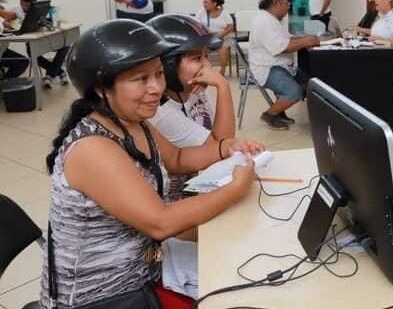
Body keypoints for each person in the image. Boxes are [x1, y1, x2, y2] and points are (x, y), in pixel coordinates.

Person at [40, 19, 263, 308]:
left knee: (239, 259)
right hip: (106, 295)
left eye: (158, 74)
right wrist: (235, 188)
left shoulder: (133, 123)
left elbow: (178, 158)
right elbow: (161, 222)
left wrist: (225, 147)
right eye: (141, 79)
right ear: (100, 89)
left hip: (146, 262)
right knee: (243, 289)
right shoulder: (92, 148)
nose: (156, 87)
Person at [147, 14, 241, 201]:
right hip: (181, 196)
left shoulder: (193, 91)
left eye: (206, 55)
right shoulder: (161, 112)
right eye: (197, 58)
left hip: (203, 177)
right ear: (168, 67)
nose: (207, 66)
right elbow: (220, 146)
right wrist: (223, 86)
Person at [249, 0, 319, 130]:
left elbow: (286, 38)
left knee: (309, 85)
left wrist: (304, 38)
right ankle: (270, 114)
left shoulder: (273, 19)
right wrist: (306, 41)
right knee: (294, 92)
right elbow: (281, 47)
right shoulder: (264, 21)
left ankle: (280, 111)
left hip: (280, 65)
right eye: (287, 3)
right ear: (276, 3)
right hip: (268, 68)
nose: (289, 7)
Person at [0, 0, 69, 87]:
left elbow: (48, 23)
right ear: (20, 1)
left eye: (28, 5)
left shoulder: (40, 9)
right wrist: (6, 22)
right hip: (32, 42)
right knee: (32, 53)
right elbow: (6, 18)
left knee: (65, 45)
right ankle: (58, 72)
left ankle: (50, 74)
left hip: (44, 37)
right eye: (23, 4)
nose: (25, 8)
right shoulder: (15, 9)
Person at [194, 0, 233, 76]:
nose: (204, 4)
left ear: (214, 4)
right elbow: (196, 24)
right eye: (203, 2)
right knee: (202, 49)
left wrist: (221, 34)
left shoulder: (224, 13)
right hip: (207, 37)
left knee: (223, 49)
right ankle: (205, 70)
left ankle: (222, 71)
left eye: (206, 2)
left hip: (223, 37)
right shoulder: (202, 11)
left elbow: (230, 27)